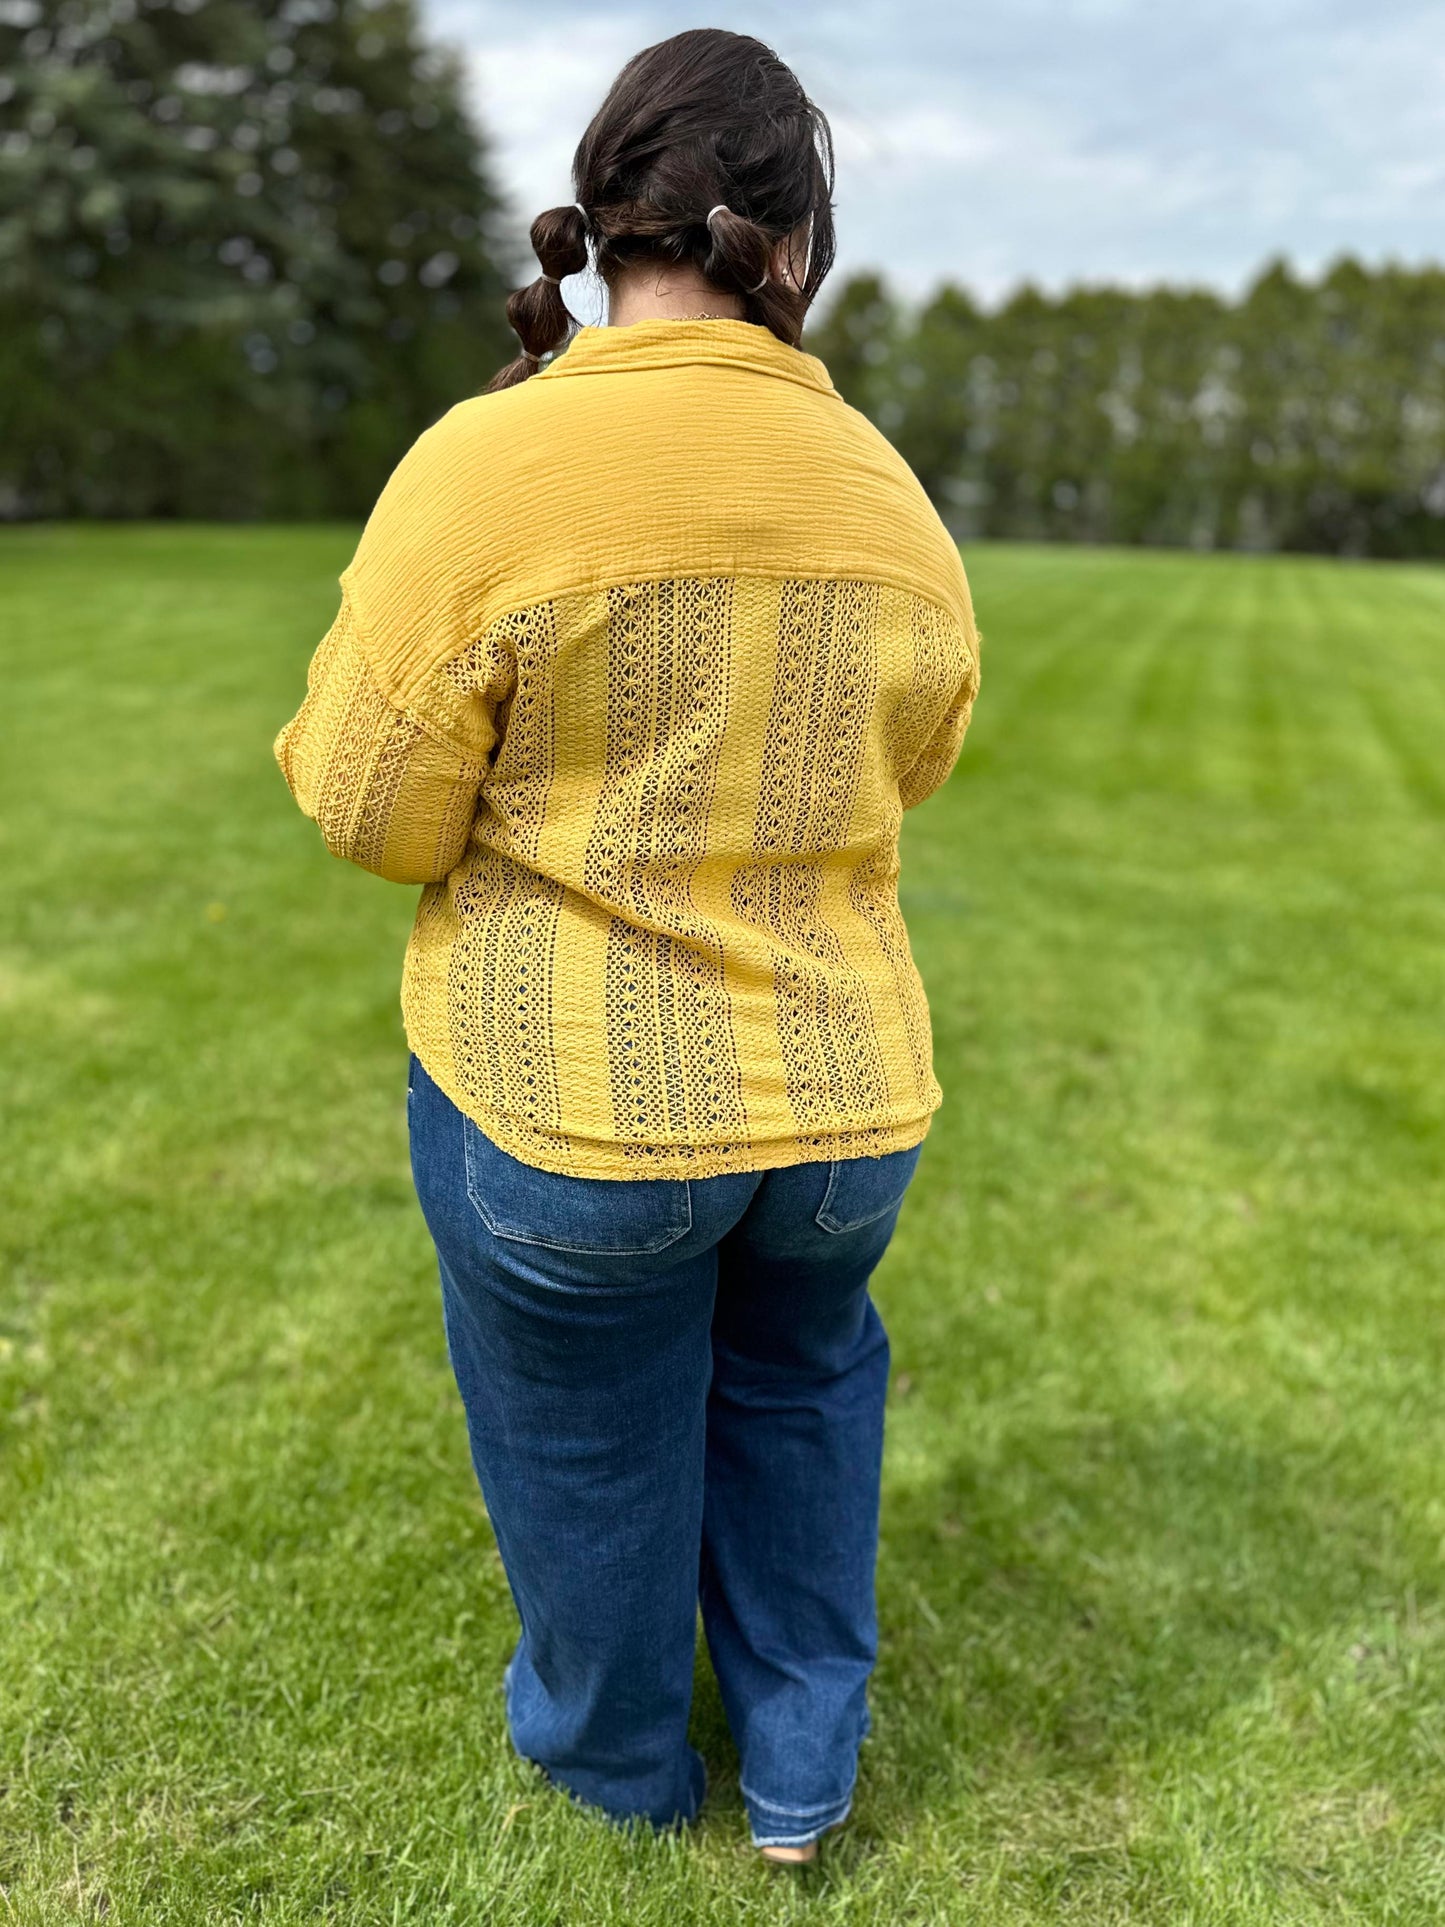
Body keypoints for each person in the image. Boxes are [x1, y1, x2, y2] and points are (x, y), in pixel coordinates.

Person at [274, 26, 980, 1866]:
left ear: (603, 230)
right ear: (797, 250)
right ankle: (802, 1781)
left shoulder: (489, 465)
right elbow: (924, 751)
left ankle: (614, 1772)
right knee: (803, 1386)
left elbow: (369, 808)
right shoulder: (885, 488)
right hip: (841, 1114)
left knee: (590, 1434)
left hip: (571, 1108)